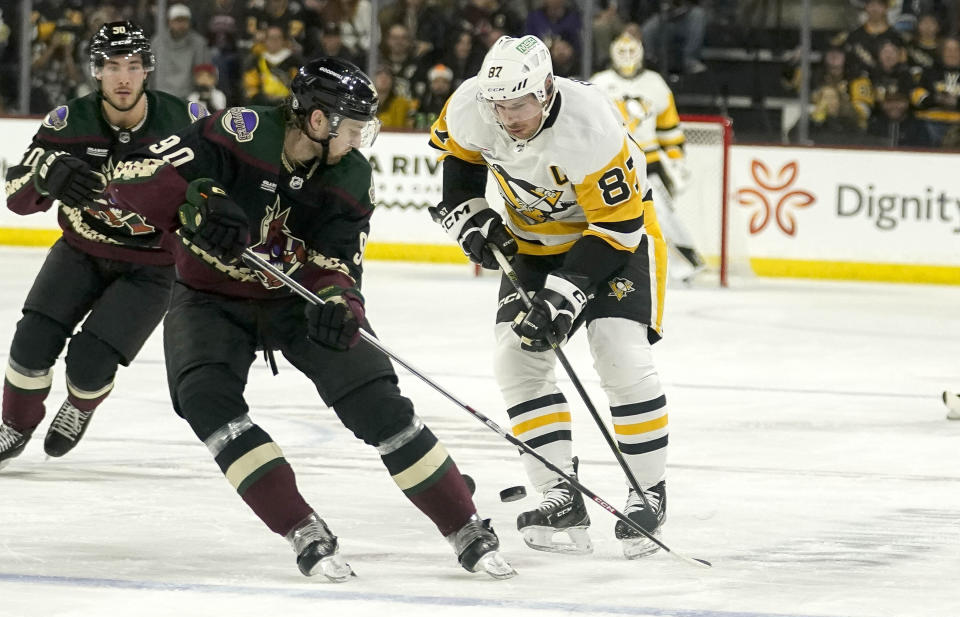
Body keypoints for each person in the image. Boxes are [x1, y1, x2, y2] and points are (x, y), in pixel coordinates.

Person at [106, 58, 515, 581]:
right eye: (353, 127)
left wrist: (343, 306)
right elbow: (132, 177)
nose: (359, 139)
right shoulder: (238, 133)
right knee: (205, 399)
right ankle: (301, 527)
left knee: (378, 401)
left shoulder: (352, 176)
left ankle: (465, 525)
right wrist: (197, 198)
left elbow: (340, 264)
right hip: (208, 297)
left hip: (293, 302)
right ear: (318, 122)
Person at [429, 35, 670, 559]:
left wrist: (564, 299)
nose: (508, 117)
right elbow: (460, 162)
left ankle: (647, 491)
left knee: (619, 354)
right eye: (500, 106)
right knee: (514, 355)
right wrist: (471, 217)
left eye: (518, 105)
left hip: (613, 242)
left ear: (544, 90)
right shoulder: (474, 104)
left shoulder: (590, 124)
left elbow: (618, 229)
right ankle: (561, 493)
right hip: (532, 244)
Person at [0, 21, 208, 469]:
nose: (123, 77)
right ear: (96, 71)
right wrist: (44, 177)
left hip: (152, 268)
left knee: (90, 363)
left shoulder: (186, 123)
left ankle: (81, 404)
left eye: (133, 66)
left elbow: (222, 189)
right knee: (31, 342)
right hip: (80, 251)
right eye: (112, 66)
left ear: (148, 70)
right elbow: (15, 195)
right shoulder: (69, 122)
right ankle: (15, 424)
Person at [591, 32, 704, 282]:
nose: (627, 57)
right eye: (622, 51)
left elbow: (669, 127)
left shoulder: (655, 83)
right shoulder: (599, 83)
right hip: (613, 163)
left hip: (649, 162)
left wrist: (676, 159)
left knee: (661, 214)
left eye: (632, 51)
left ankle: (687, 262)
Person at [150, 4, 211, 99]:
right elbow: (151, 73)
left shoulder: (199, 43)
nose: (181, 25)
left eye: (184, 21)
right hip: (161, 95)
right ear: (169, 22)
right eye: (177, 21)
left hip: (190, 97)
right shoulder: (157, 42)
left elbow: (203, 75)